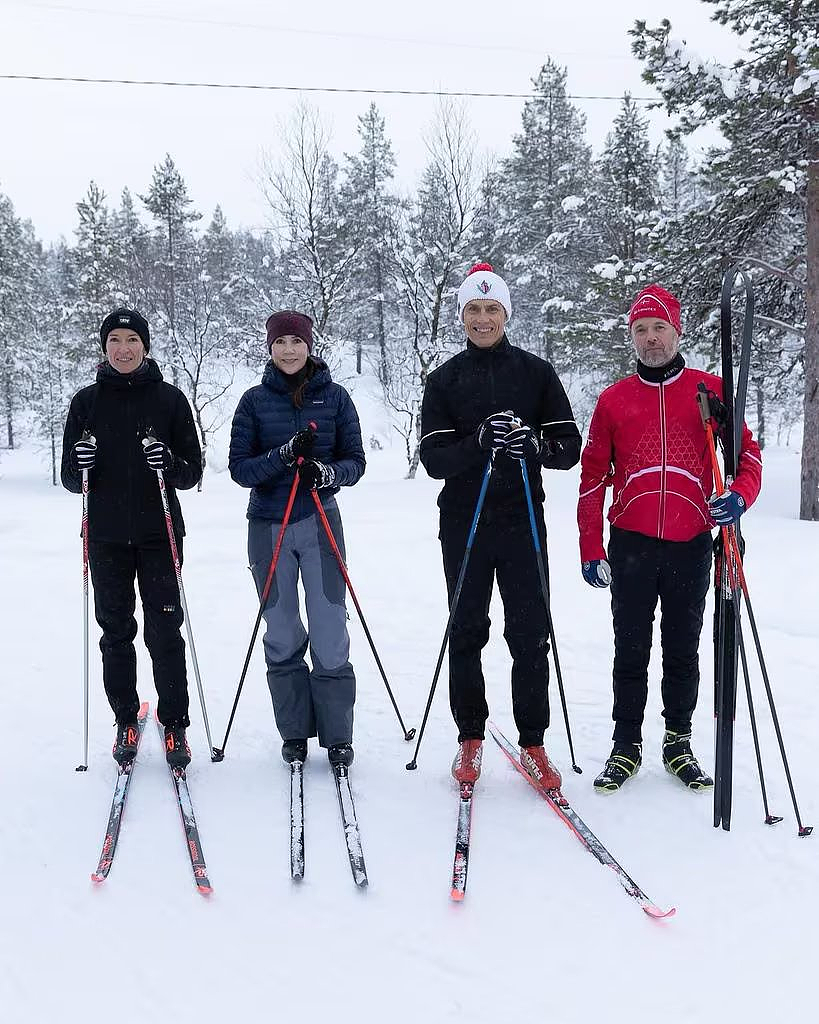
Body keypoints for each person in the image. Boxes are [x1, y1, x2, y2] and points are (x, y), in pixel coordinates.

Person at [577, 284, 763, 793]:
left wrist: (739, 498)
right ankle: (626, 744)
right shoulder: (614, 400)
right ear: (631, 337)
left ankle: (678, 740)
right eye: (641, 329)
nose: (651, 338)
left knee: (683, 647)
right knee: (630, 648)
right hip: (631, 542)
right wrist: (590, 546)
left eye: (660, 327)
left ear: (677, 331)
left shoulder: (709, 390)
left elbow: (748, 457)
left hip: (692, 542)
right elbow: (593, 477)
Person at [419, 262, 582, 789]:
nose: (482, 319)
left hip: (522, 523)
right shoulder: (444, 380)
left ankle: (533, 741)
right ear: (461, 316)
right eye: (473, 309)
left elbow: (568, 448)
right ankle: (470, 738)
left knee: (531, 635)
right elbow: (434, 460)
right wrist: (478, 443)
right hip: (464, 524)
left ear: (506, 314)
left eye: (492, 309)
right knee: (467, 630)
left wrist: (533, 444)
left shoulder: (536, 373)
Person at [61, 308, 203, 768]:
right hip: (104, 538)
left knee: (165, 630)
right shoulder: (86, 402)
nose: (124, 348)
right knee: (116, 632)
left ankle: (175, 721)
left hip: (159, 533)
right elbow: (68, 477)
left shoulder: (169, 400)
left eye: (132, 340)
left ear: (145, 345)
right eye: (115, 340)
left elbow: (191, 472)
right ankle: (125, 716)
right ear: (104, 347)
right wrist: (81, 463)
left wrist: (169, 462)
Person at [228, 310, 366, 768]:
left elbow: (355, 461)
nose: (289, 349)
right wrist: (283, 456)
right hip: (268, 526)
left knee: (330, 628)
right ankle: (294, 732)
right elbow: (241, 469)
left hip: (321, 521)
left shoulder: (336, 398)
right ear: (269, 348)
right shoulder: (252, 401)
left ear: (310, 345)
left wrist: (324, 473)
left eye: (296, 341)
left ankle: (337, 735)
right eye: (280, 341)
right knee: (282, 630)